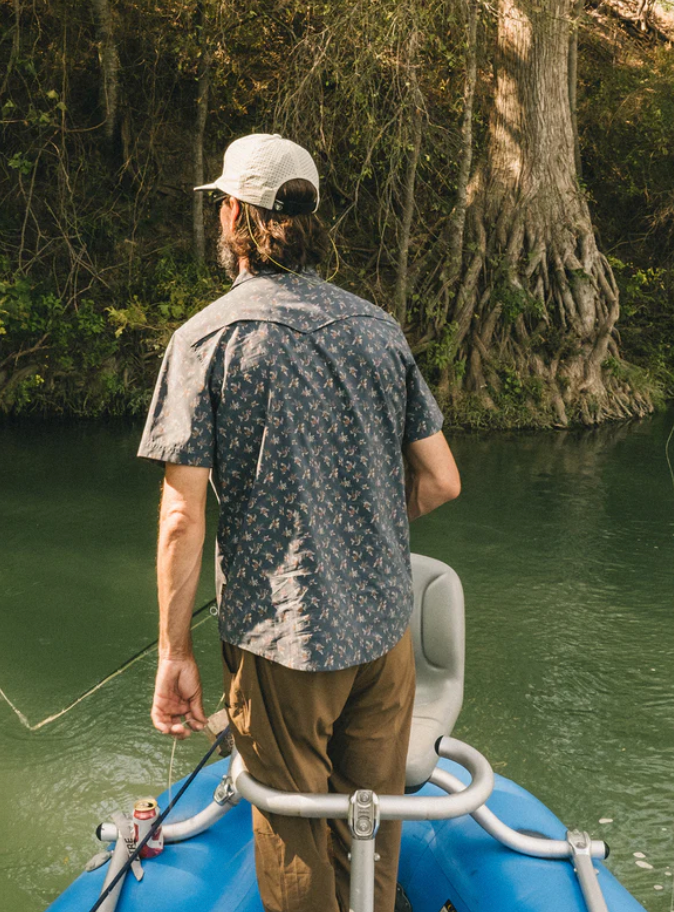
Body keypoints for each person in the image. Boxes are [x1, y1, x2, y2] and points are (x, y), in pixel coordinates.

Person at [137, 133, 460, 912]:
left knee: (291, 829)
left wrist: (174, 652)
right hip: (385, 635)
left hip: (284, 642)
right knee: (370, 825)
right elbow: (442, 480)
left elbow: (182, 516)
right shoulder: (378, 329)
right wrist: (362, 529)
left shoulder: (205, 341)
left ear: (232, 217)